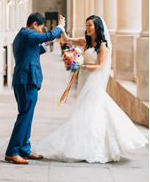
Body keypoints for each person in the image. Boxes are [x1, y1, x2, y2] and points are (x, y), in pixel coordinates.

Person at [35, 15, 148, 163]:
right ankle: (82, 143)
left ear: (97, 28)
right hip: (84, 78)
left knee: (90, 110)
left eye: (90, 25)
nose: (87, 28)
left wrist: (81, 66)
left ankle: (95, 147)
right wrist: (61, 27)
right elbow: (67, 39)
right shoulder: (84, 42)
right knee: (83, 109)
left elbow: (100, 66)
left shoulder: (102, 45)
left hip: (93, 81)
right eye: (86, 25)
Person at [4, 13, 65, 164]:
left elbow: (34, 52)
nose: (41, 31)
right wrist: (60, 27)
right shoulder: (28, 33)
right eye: (41, 27)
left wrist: (46, 44)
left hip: (26, 79)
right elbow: (47, 35)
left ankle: (24, 149)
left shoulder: (24, 36)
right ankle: (12, 152)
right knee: (24, 115)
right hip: (26, 79)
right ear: (34, 24)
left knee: (27, 115)